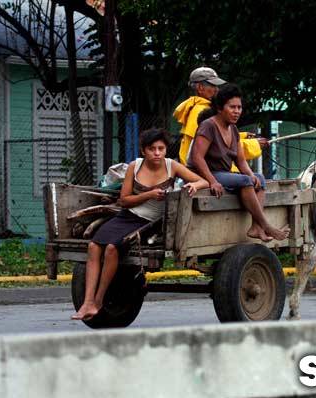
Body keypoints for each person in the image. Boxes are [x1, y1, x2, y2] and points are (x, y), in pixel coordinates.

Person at [71, 128, 209, 321]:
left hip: (151, 223)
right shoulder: (134, 167)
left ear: (166, 150)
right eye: (152, 149)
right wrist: (149, 194)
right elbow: (124, 200)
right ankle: (87, 302)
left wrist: (194, 185)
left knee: (111, 248)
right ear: (144, 150)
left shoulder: (172, 166)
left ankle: (99, 301)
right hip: (128, 216)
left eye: (161, 148)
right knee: (94, 246)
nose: (157, 153)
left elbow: (204, 181)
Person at [189, 84, 289, 242]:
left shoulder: (233, 130)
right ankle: (266, 226)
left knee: (259, 178)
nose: (237, 111)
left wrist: (251, 174)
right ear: (221, 108)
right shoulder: (208, 126)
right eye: (232, 107)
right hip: (205, 174)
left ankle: (256, 227)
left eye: (239, 107)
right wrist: (212, 181)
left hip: (224, 174)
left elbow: (240, 160)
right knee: (244, 180)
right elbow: (197, 158)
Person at [173, 66, 267, 168]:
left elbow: (215, 136)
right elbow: (217, 147)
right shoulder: (201, 111)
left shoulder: (198, 106)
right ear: (200, 87)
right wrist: (254, 145)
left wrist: (242, 135)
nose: (217, 90)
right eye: (213, 86)